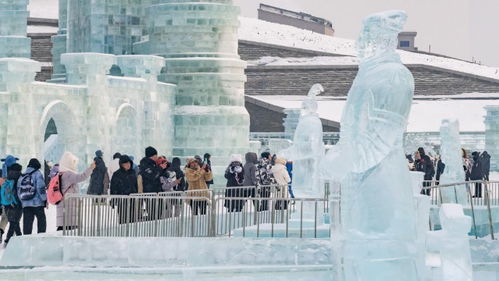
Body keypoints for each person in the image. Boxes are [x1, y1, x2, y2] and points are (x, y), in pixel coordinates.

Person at [56, 152, 95, 231]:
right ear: (68, 162)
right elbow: (81, 177)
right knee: (70, 231)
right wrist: (90, 168)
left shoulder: (61, 173)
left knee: (64, 228)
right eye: (73, 162)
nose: (74, 164)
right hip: (69, 207)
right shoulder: (68, 174)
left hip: (65, 206)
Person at [18, 159, 47, 235]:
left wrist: (23, 202)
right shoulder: (38, 174)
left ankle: (27, 241)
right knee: (41, 222)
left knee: (27, 224)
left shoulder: (22, 175)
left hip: (26, 204)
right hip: (37, 204)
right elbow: (40, 188)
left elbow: (19, 191)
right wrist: (44, 199)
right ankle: (41, 238)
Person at [110, 155, 138, 223]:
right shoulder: (117, 174)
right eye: (125, 163)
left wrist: (137, 195)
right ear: (121, 164)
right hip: (122, 200)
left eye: (128, 162)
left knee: (132, 219)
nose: (127, 165)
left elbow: (135, 185)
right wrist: (113, 200)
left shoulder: (133, 172)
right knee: (123, 219)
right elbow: (113, 187)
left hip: (132, 199)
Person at [1, 163, 23, 245]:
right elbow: (14, 192)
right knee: (14, 223)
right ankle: (8, 240)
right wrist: (15, 202)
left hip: (6, 204)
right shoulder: (18, 177)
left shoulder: (8, 178)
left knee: (14, 222)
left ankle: (20, 237)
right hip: (15, 204)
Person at [138, 147, 162, 220]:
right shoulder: (145, 165)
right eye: (156, 155)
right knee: (153, 212)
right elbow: (153, 176)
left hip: (156, 192)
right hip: (150, 192)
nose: (157, 157)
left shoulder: (153, 164)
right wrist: (160, 168)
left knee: (158, 212)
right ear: (152, 156)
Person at [0, 155, 19, 243]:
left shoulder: (2, 173)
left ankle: (0, 231)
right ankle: (12, 237)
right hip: (13, 199)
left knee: (5, 217)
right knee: (15, 218)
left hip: (3, 199)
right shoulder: (16, 173)